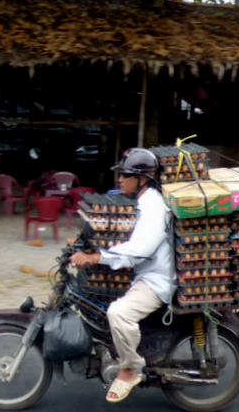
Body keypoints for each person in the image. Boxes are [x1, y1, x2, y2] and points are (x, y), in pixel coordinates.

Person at [70, 147, 176, 403]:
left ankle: (129, 368)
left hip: (156, 279)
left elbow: (140, 249)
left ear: (142, 179)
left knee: (118, 312)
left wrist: (98, 257)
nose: (119, 180)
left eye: (125, 175)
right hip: (142, 273)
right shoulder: (139, 201)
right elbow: (120, 233)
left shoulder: (154, 207)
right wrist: (84, 244)